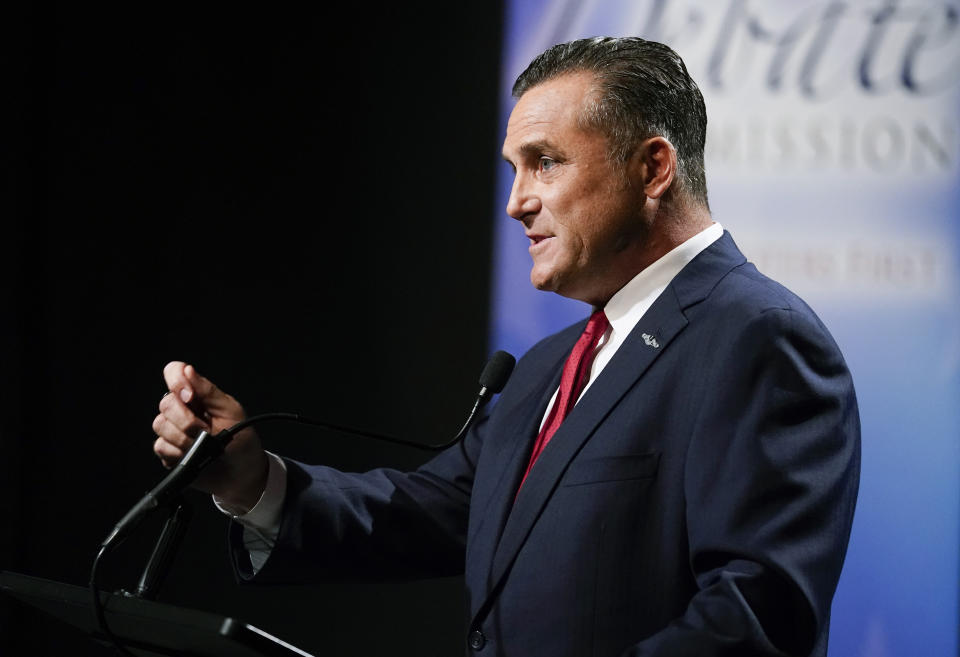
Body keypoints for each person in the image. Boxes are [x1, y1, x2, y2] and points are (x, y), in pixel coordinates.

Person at [153, 37, 860, 656]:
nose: (516, 201)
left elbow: (758, 614)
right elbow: (427, 511)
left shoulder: (756, 337)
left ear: (652, 170)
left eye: (545, 162)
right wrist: (252, 481)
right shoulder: (548, 365)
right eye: (513, 169)